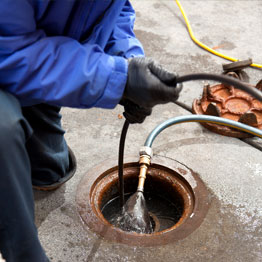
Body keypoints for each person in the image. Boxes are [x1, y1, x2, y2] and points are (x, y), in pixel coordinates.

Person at [0, 1, 182, 261]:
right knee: (5, 131)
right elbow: (7, 53)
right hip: (7, 55)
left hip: (19, 51)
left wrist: (127, 60)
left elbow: (115, 10)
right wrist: (116, 78)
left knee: (51, 172)